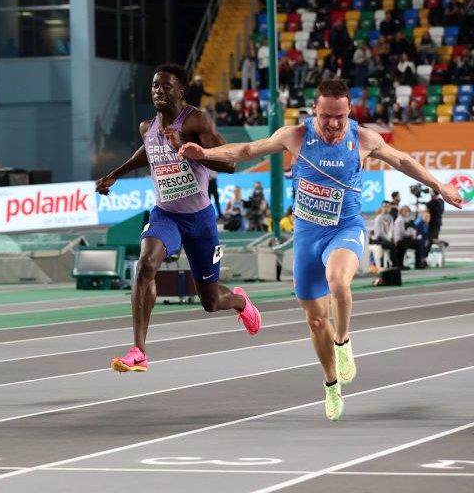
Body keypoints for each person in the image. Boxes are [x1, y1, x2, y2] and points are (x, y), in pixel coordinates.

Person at [179, 78, 463, 420]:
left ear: (348, 113)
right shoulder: (295, 136)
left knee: (339, 281)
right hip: (307, 237)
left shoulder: (364, 139)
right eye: (326, 116)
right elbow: (245, 151)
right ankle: (331, 384)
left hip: (345, 228)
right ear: (315, 110)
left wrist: (439, 185)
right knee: (315, 321)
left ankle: (343, 343)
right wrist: (205, 153)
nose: (333, 124)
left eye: (340, 117)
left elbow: (402, 160)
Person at [95, 63, 261, 375]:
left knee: (211, 302)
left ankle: (239, 303)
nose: (159, 91)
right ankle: (139, 351)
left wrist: (186, 149)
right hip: (166, 214)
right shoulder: (148, 128)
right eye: (155, 86)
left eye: (166, 86)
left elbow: (230, 164)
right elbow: (146, 153)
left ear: (180, 91)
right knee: (145, 265)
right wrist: (114, 174)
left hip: (199, 220)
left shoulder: (196, 119)